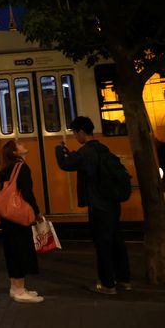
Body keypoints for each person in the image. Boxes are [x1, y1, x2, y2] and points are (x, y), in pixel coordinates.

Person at [56, 116, 131, 295]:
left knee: (102, 245)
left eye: (75, 133)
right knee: (116, 242)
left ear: (81, 132)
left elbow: (65, 164)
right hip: (112, 203)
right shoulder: (102, 148)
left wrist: (59, 149)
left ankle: (107, 284)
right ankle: (124, 280)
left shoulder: (86, 152)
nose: (75, 136)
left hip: (98, 205)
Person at [0, 139, 44, 303]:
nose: (24, 145)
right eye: (20, 145)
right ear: (15, 152)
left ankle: (15, 287)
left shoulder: (3, 170)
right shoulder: (22, 167)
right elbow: (27, 193)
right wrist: (36, 212)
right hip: (19, 216)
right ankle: (20, 291)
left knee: (11, 250)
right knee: (21, 250)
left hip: (7, 215)